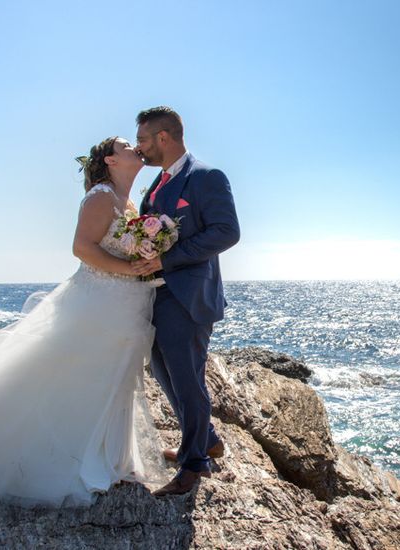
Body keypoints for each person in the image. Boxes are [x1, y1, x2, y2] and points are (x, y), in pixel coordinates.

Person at [0, 137, 168, 507]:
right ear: (111, 160)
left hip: (127, 303)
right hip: (97, 302)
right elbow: (82, 248)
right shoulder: (100, 196)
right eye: (127, 145)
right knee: (78, 375)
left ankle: (109, 456)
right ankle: (53, 456)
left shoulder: (128, 203)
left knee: (115, 376)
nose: (135, 148)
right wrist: (132, 269)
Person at [134, 106, 240, 496]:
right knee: (163, 373)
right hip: (156, 294)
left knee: (187, 379)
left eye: (144, 140)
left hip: (189, 296)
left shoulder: (206, 177)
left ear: (164, 137)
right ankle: (205, 439)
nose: (139, 148)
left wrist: (166, 258)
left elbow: (227, 232)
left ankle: (195, 464)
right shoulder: (157, 183)